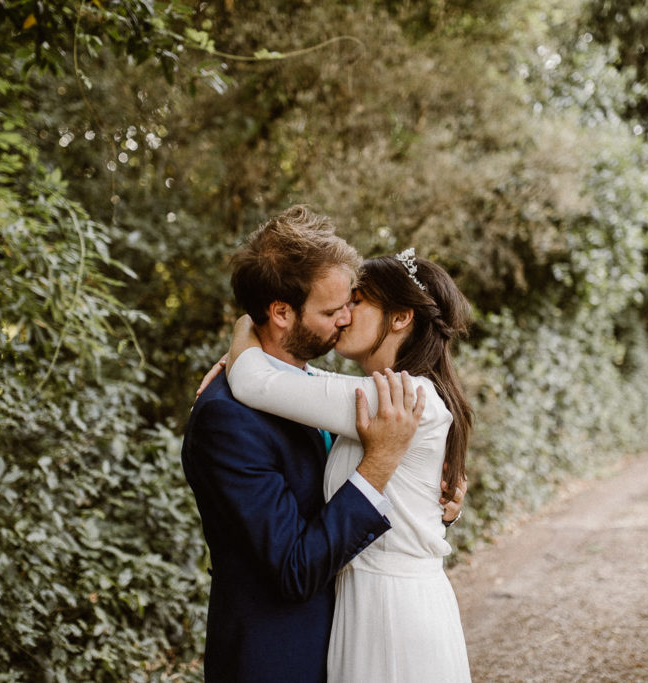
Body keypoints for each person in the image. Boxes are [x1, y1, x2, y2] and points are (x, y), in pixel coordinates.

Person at [182, 205, 433, 683]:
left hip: (347, 647)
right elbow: (294, 569)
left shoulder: (310, 388)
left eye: (350, 302)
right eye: (331, 310)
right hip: (277, 659)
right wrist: (380, 462)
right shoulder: (226, 420)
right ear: (280, 312)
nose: (346, 318)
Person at [222, 247, 474, 682]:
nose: (343, 313)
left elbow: (254, 380)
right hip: (370, 603)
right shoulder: (386, 394)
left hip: (393, 615)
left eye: (358, 301)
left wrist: (247, 323)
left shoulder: (399, 400)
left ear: (400, 318)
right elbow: (288, 379)